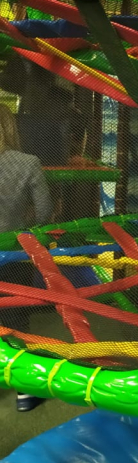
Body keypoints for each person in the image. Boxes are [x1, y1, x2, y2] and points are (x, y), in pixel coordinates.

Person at [0, 103, 53, 413]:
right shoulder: (28, 162)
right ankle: (24, 391)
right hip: (14, 253)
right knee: (16, 319)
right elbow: (45, 213)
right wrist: (24, 225)